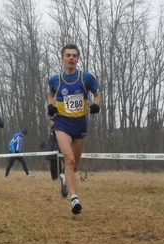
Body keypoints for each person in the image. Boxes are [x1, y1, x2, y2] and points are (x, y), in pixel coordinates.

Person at [47, 44, 102, 214]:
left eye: (74, 55)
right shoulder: (56, 79)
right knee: (69, 159)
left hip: (80, 124)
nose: (71, 58)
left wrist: (96, 105)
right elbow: (50, 93)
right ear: (63, 58)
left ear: (77, 59)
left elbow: (97, 94)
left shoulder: (86, 78)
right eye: (68, 55)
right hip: (62, 123)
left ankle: (65, 178)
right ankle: (74, 199)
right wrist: (51, 107)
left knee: (75, 164)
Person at [44, 117, 64, 182]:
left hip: (55, 151)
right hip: (51, 152)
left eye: (51, 121)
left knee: (57, 165)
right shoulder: (52, 130)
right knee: (52, 166)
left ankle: (59, 178)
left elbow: (59, 140)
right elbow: (51, 141)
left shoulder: (57, 130)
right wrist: (45, 145)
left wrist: (56, 148)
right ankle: (54, 178)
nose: (50, 123)